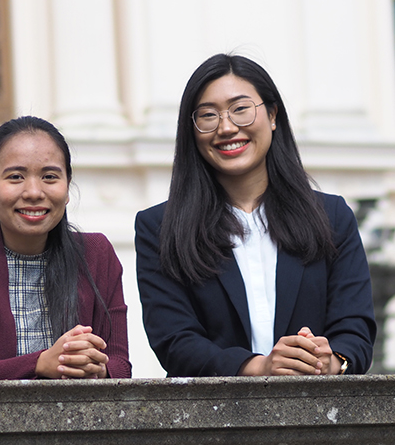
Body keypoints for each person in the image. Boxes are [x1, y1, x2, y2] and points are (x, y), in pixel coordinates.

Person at [135, 54, 376, 377]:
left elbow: (355, 327)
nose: (227, 127)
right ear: (191, 130)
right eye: (208, 115)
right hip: (213, 420)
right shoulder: (160, 228)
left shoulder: (332, 216)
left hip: (318, 413)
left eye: (241, 109)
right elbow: (175, 340)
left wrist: (326, 360)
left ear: (273, 115)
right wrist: (260, 367)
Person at [0, 116, 131, 381]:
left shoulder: (96, 254)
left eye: (50, 177)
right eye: (16, 176)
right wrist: (40, 363)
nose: (33, 192)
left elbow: (121, 364)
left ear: (67, 189)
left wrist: (97, 367)